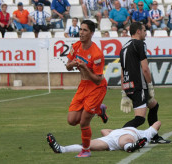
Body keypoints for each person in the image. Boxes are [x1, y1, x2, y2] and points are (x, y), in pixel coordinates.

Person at [119, 22, 170, 144]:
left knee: (154, 105)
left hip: (128, 85)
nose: (145, 33)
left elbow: (122, 70)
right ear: (138, 31)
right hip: (139, 85)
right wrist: (150, 86)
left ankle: (154, 136)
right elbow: (145, 69)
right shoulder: (140, 44)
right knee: (140, 119)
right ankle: (118, 136)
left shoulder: (124, 47)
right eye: (144, 30)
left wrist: (123, 92)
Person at [64, 20, 108, 158]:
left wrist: (84, 68)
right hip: (83, 86)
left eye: (85, 30)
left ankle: (86, 150)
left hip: (97, 87)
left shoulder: (96, 54)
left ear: (92, 33)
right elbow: (67, 66)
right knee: (71, 120)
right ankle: (99, 109)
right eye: (80, 29)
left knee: (84, 121)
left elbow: (98, 79)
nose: (81, 33)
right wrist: (72, 64)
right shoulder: (75, 46)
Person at [47, 121, 161, 153]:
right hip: (109, 140)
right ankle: (61, 149)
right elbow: (103, 130)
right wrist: (112, 131)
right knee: (87, 145)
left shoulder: (143, 133)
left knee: (125, 141)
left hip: (128, 137)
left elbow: (158, 123)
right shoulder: (116, 130)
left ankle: (131, 147)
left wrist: (152, 131)